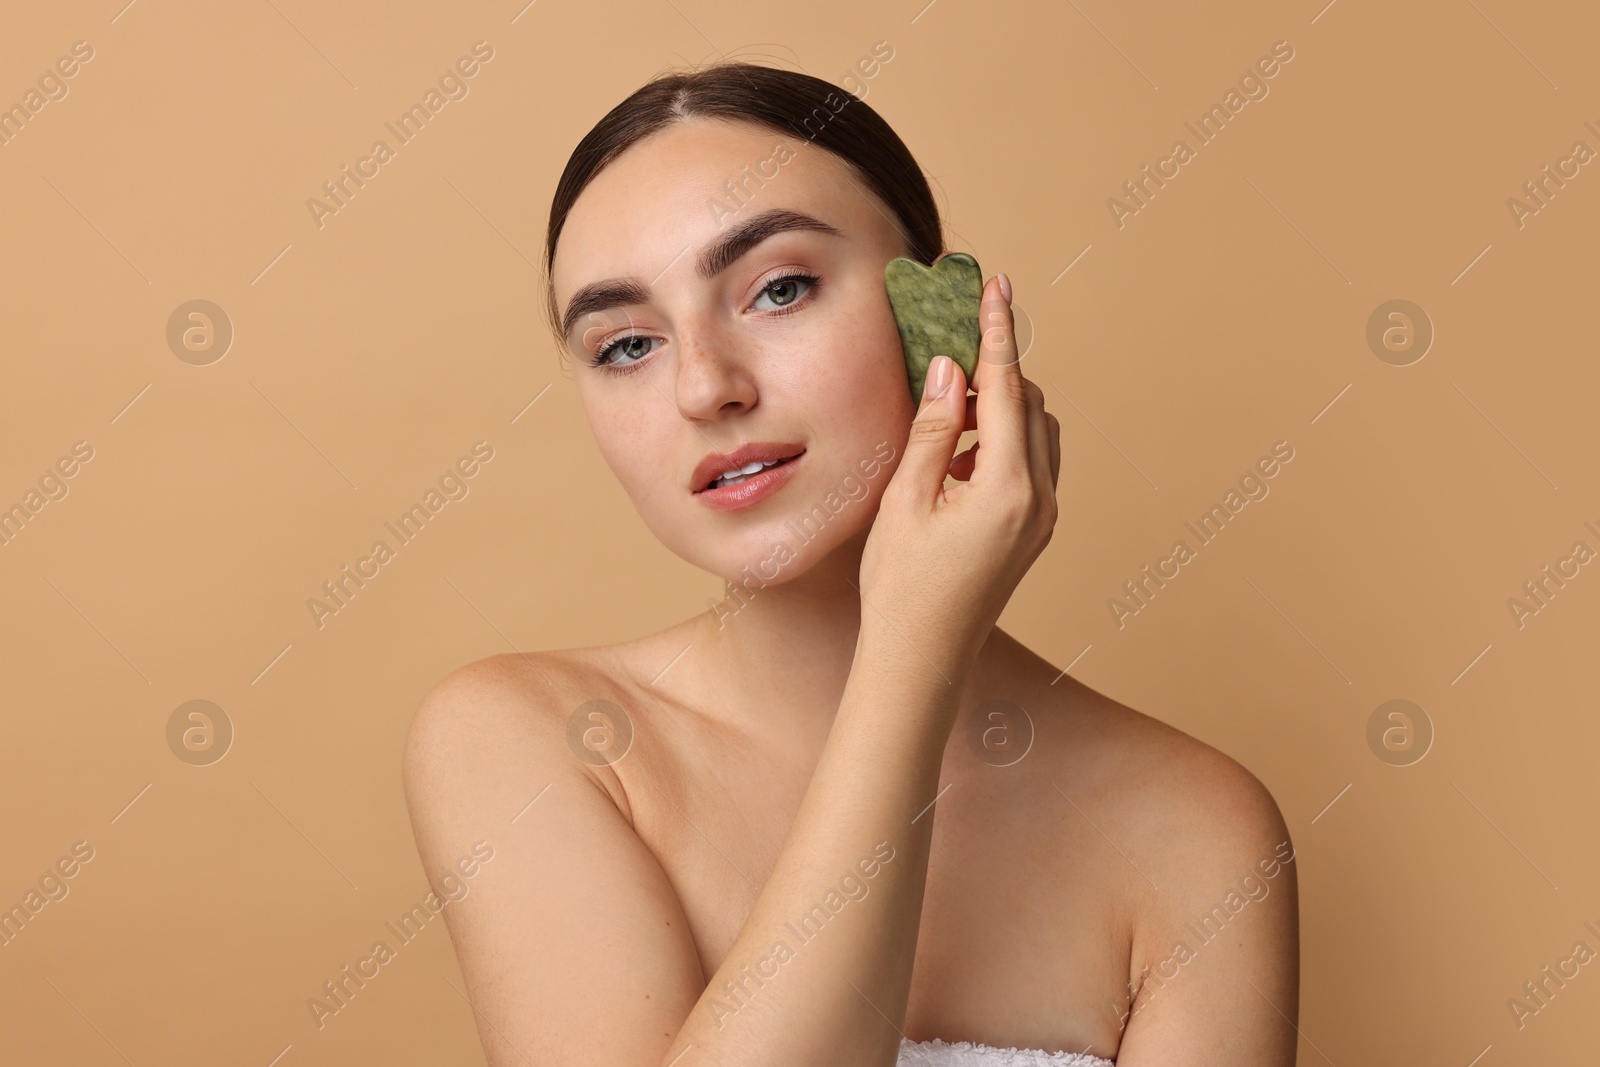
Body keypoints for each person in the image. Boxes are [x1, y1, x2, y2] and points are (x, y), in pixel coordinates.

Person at [402, 61, 1298, 1067]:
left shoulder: (1194, 829)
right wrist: (912, 649)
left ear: (939, 322)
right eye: (625, 345)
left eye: (777, 289)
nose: (705, 386)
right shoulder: (531, 740)